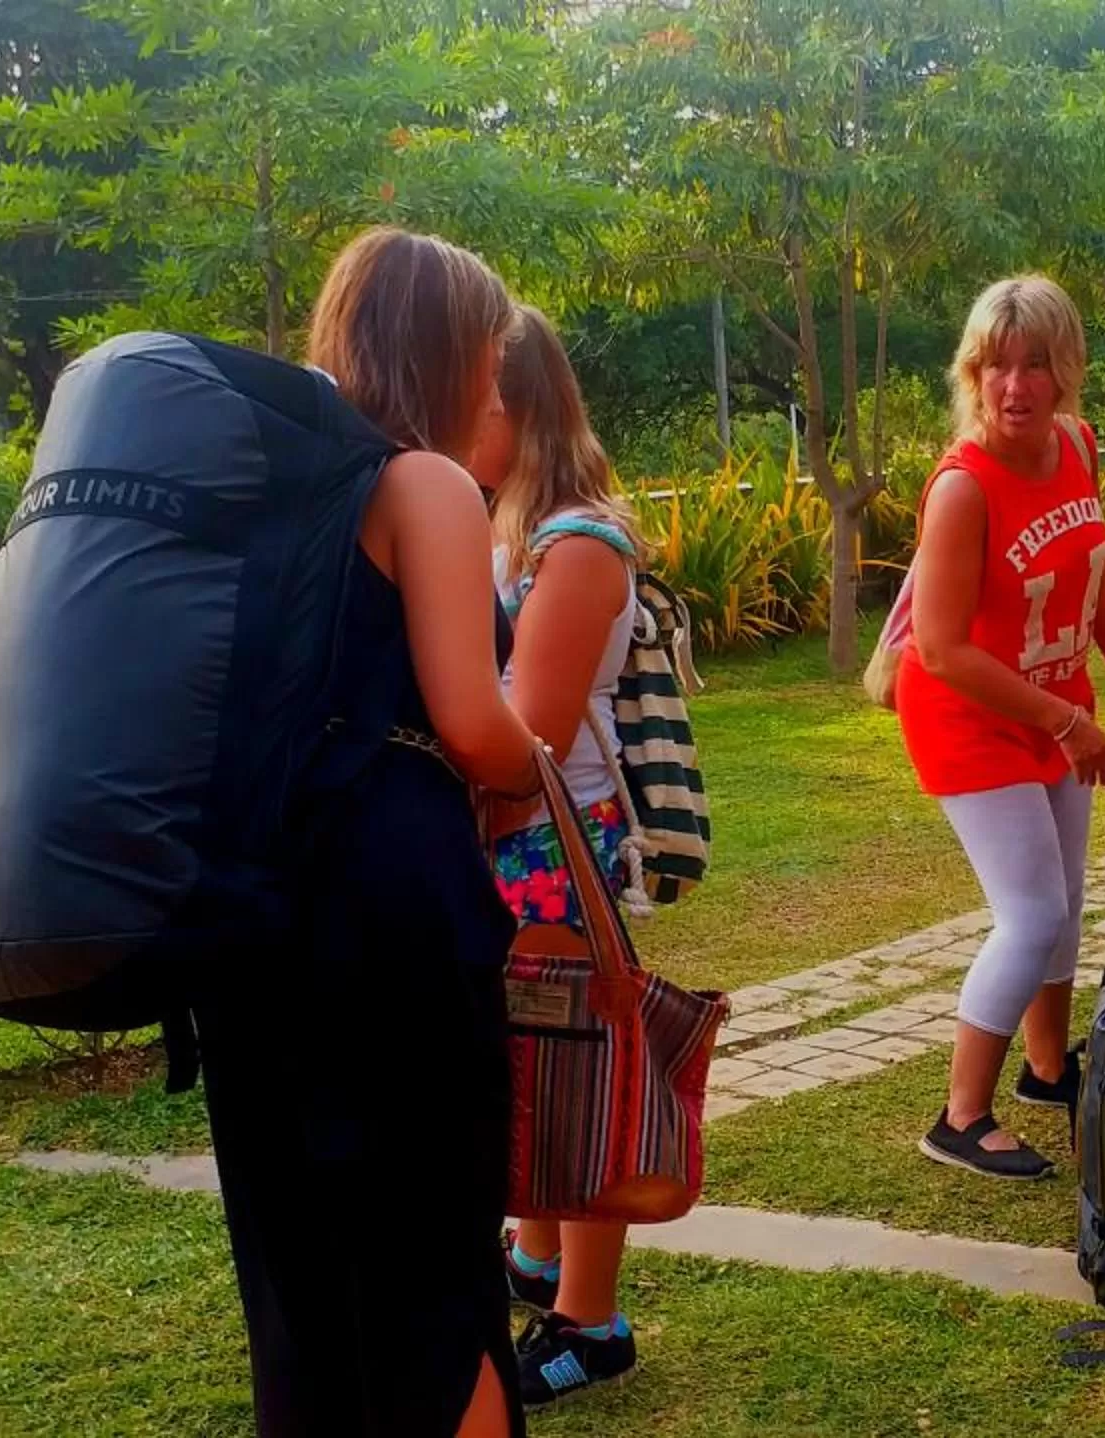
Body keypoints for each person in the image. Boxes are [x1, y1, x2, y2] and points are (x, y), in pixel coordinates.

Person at [193, 226, 538, 1438]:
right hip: (393, 915)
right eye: (491, 364)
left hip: (248, 917)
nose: (496, 392)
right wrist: (531, 766)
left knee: (302, 1278)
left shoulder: (257, 500)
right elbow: (473, 722)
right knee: (436, 1279)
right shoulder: (420, 485)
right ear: (447, 354)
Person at [894, 274, 1105, 1181]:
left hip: (1055, 704)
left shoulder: (1074, 444)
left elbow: (1092, 562)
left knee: (1068, 905)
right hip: (970, 719)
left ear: (1065, 370)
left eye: (1034, 364)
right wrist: (1068, 720)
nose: (1014, 386)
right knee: (1032, 913)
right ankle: (960, 1116)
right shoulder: (964, 489)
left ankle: (1048, 1070)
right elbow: (943, 647)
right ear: (972, 372)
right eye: (995, 365)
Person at [465, 304, 653, 1409]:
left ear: (518, 405)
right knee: (526, 1064)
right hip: (518, 841)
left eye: (476, 396)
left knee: (573, 1072)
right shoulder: (514, 529)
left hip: (553, 840)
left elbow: (525, 732)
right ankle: (536, 1259)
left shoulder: (577, 543)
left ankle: (593, 1317)